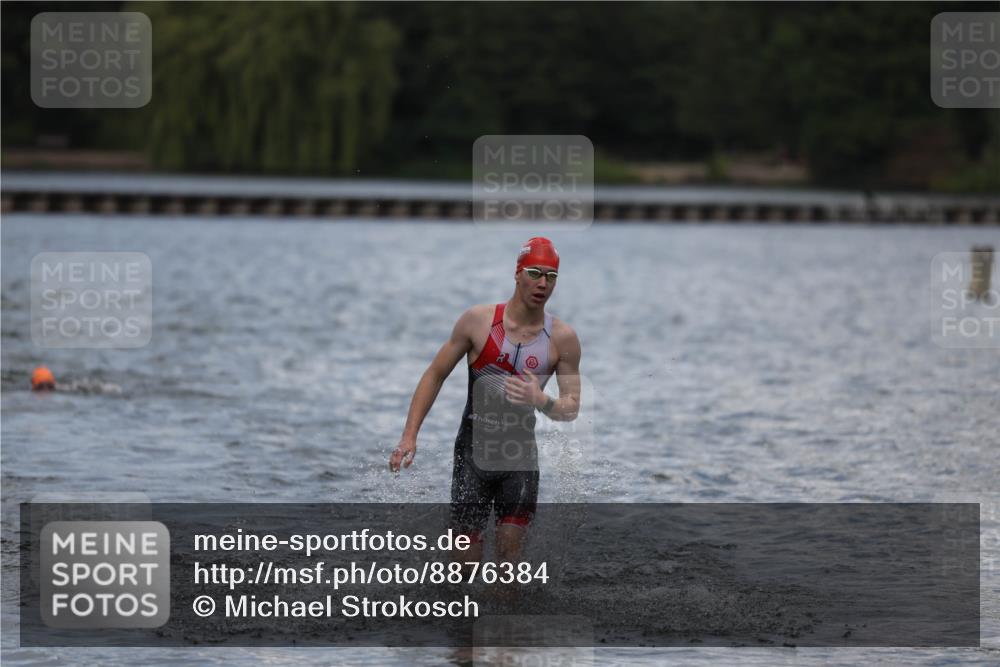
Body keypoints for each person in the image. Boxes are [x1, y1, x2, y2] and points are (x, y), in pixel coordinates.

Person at [390, 237, 581, 565]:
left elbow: (571, 408)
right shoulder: (478, 322)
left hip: (519, 459)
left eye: (551, 276)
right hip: (472, 454)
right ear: (518, 273)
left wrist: (541, 400)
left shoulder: (562, 339)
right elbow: (434, 375)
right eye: (535, 273)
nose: (542, 283)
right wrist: (410, 435)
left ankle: (507, 616)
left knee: (508, 557)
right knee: (463, 563)